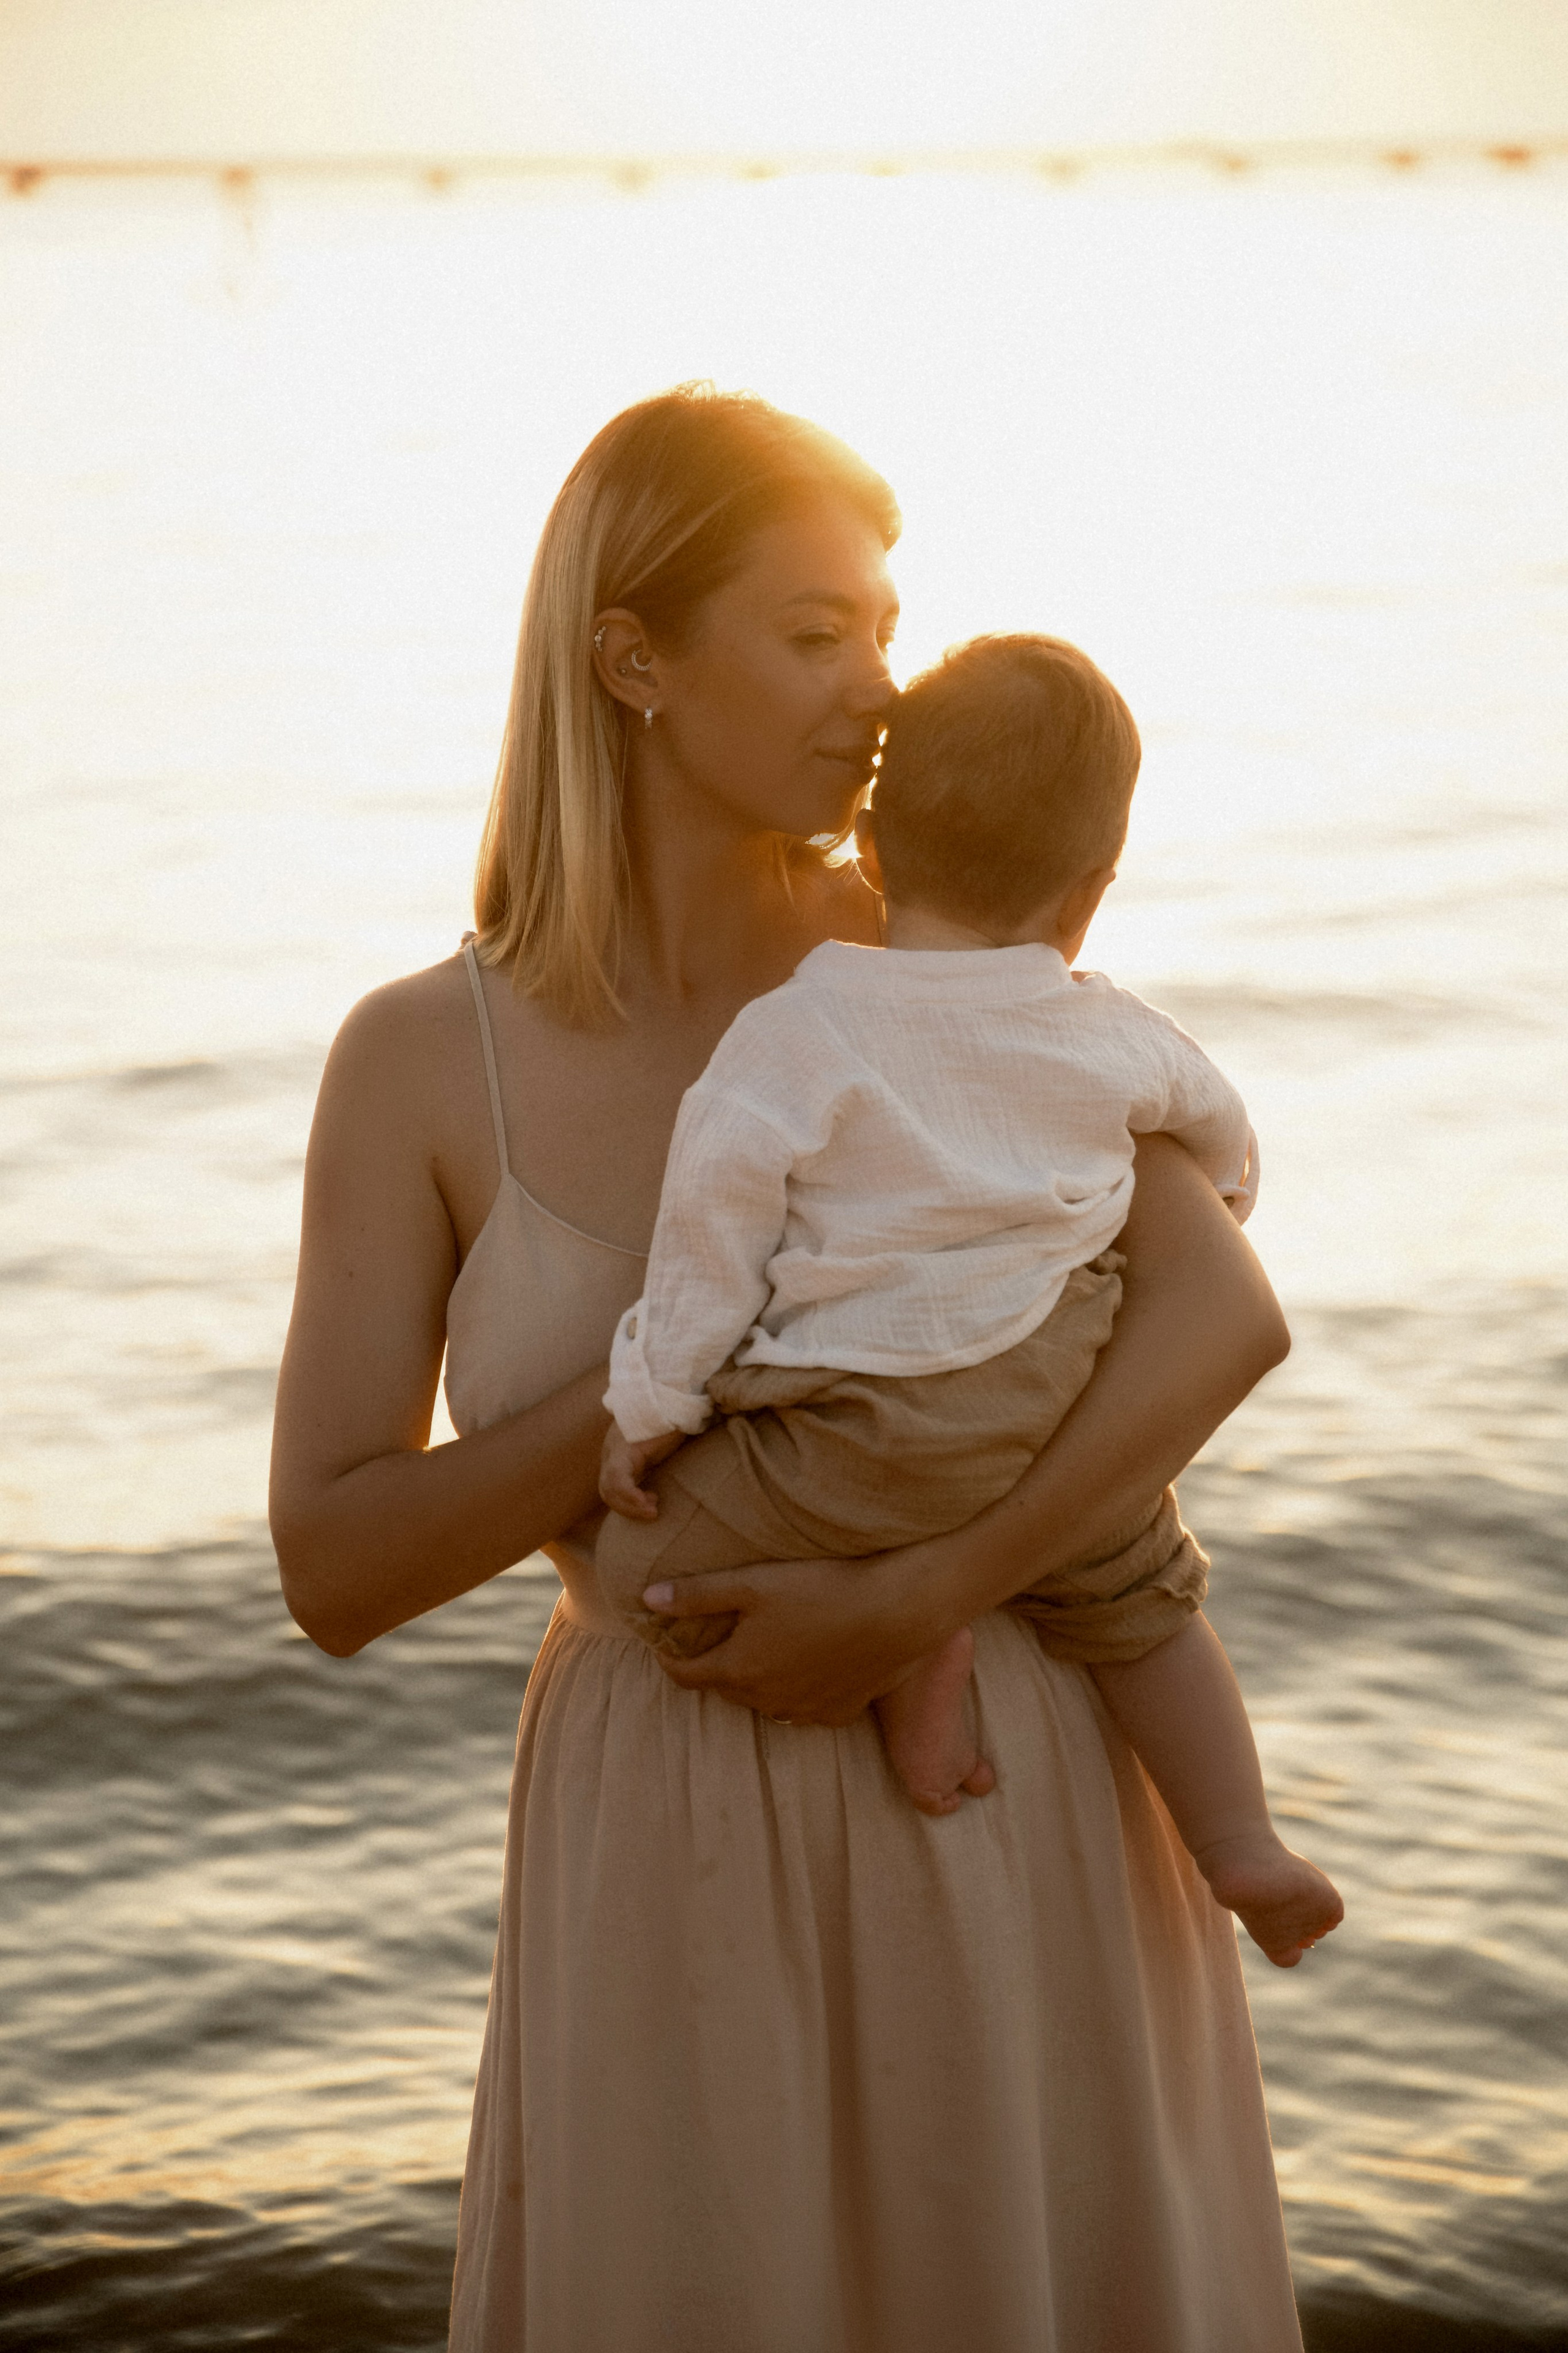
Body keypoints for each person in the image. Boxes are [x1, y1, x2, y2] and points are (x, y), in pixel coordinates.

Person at [270, 383, 1309, 2351]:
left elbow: (1221, 1314)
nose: (880, 694)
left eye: (890, 634)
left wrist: (922, 1589)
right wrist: (683, 1379)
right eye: (818, 635)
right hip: (667, 1831)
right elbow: (333, 1565)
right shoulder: (419, 1059)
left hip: (1010, 1774)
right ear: (633, 659)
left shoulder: (945, 969)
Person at [595, 630, 1343, 1970]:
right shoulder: (1106, 1025)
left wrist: (652, 1399)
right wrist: (1196, 1206)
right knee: (1143, 1596)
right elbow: (1221, 1143)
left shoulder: (794, 1030)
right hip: (1048, 1385)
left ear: (872, 848)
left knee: (642, 1580)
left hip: (865, 1419)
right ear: (1090, 888)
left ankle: (908, 1644)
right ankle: (1238, 1840)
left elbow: (714, 1226)